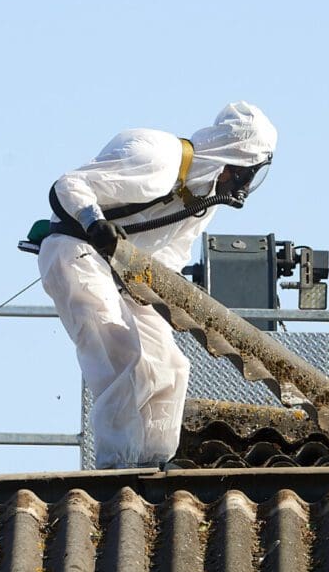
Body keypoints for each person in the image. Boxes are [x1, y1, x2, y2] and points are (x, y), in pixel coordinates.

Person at [36, 102, 277, 469]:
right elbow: (68, 185)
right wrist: (94, 222)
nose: (244, 184)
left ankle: (153, 462)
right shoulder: (155, 156)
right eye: (247, 173)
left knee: (170, 364)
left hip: (129, 275)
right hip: (77, 251)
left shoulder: (200, 199)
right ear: (233, 161)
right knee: (121, 352)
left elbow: (167, 260)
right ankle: (116, 466)